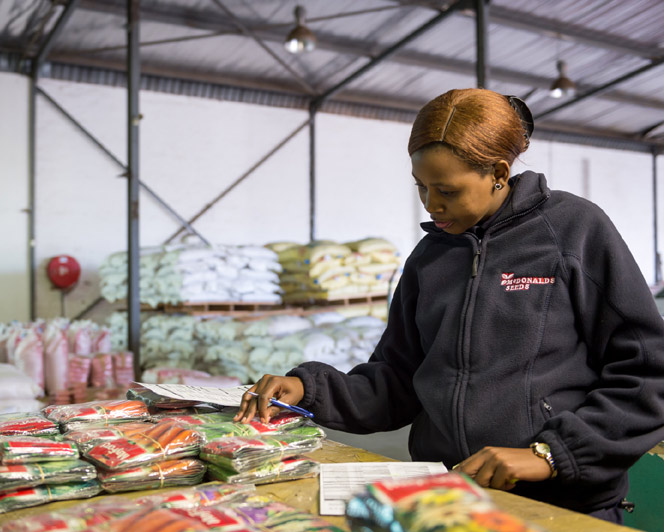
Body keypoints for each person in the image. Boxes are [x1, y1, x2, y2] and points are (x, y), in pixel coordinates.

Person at [235, 88, 664, 524]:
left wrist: (551, 454)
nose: (431, 205)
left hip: (559, 502)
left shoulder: (573, 231)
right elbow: (399, 381)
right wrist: (310, 390)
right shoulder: (430, 259)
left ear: (498, 172)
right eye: (421, 188)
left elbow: (648, 373)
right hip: (447, 497)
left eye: (447, 191)